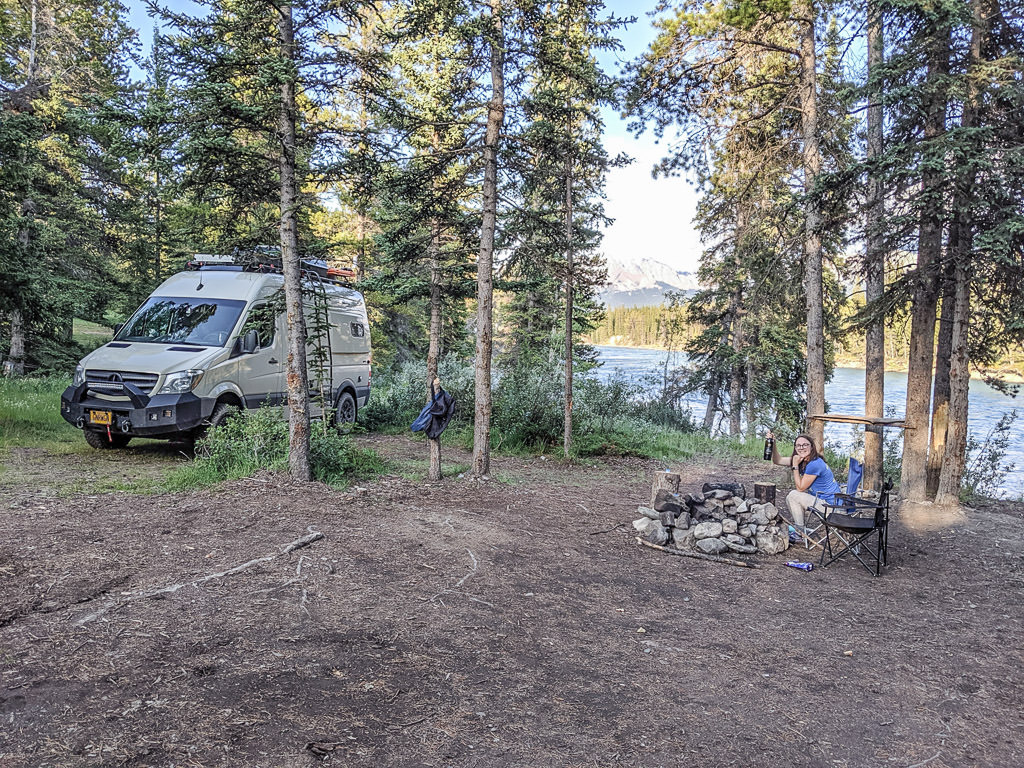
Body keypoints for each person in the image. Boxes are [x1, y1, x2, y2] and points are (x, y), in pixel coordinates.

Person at [766, 431, 840, 532]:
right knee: (790, 497)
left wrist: (795, 466)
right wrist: (773, 443)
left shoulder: (815, 464)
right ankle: (800, 529)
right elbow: (777, 460)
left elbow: (800, 488)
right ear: (795, 448)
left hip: (832, 508)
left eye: (805, 445)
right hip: (826, 503)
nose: (801, 447)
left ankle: (799, 531)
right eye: (798, 445)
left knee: (793, 495)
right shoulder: (803, 460)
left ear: (812, 447)